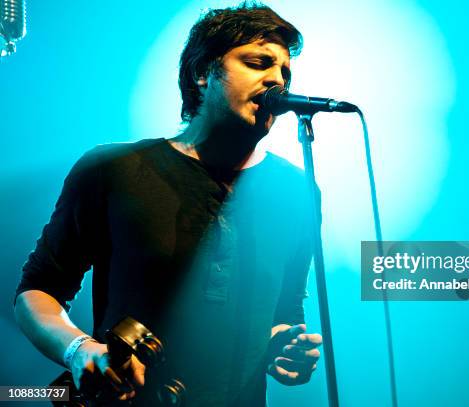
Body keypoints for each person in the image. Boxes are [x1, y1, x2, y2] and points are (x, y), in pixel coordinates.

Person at [13, 3, 323, 406]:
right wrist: (79, 351)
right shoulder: (114, 169)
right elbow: (38, 290)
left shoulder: (297, 191)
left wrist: (285, 347)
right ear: (202, 73)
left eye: (285, 71)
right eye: (257, 62)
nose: (277, 80)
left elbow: (285, 310)